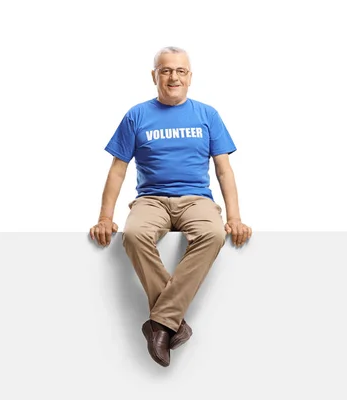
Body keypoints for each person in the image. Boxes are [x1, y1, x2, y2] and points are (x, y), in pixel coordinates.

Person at [89, 46, 251, 367]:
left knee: (214, 235)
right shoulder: (136, 115)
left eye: (180, 71)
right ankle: (173, 322)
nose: (173, 76)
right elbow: (118, 169)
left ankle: (160, 322)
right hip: (151, 199)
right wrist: (105, 217)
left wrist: (234, 217)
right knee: (134, 235)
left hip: (197, 199)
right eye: (165, 70)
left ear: (190, 77)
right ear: (154, 76)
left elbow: (223, 169)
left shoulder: (208, 115)